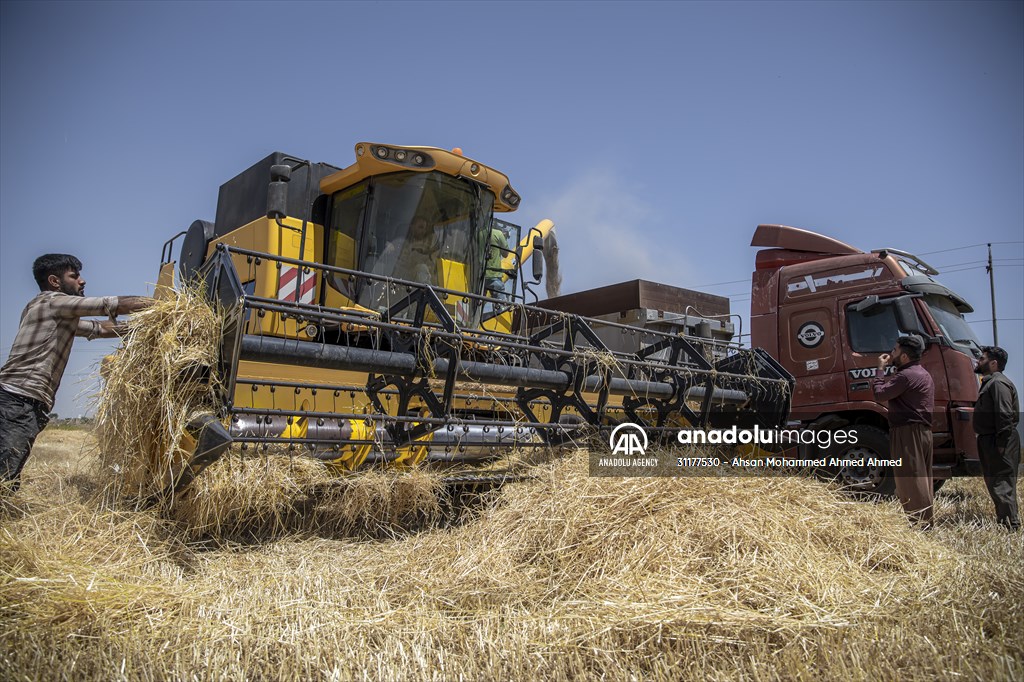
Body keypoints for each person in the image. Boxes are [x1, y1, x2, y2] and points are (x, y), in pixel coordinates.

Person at [0, 254, 152, 493]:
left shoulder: (58, 316)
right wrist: (162, 306)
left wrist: (144, 326)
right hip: (16, 398)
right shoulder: (51, 301)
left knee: (10, 469)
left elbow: (101, 328)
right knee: (5, 472)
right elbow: (110, 305)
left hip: (26, 401)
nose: (82, 281)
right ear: (54, 281)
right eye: (74, 276)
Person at [871, 334, 935, 528]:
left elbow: (880, 394)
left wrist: (880, 369)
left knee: (910, 478)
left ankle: (920, 524)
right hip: (921, 432)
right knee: (921, 477)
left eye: (895, 350)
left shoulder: (905, 376)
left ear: (905, 356)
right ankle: (923, 521)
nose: (892, 353)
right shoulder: (923, 373)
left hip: (908, 433)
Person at [973, 346, 1020, 531]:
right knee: (996, 483)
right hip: (992, 439)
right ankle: (1005, 522)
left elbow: (1004, 415)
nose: (978, 361)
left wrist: (1001, 444)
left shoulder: (998, 384)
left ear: (993, 363)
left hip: (999, 440)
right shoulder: (990, 382)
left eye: (982, 358)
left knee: (1002, 484)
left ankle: (1010, 526)